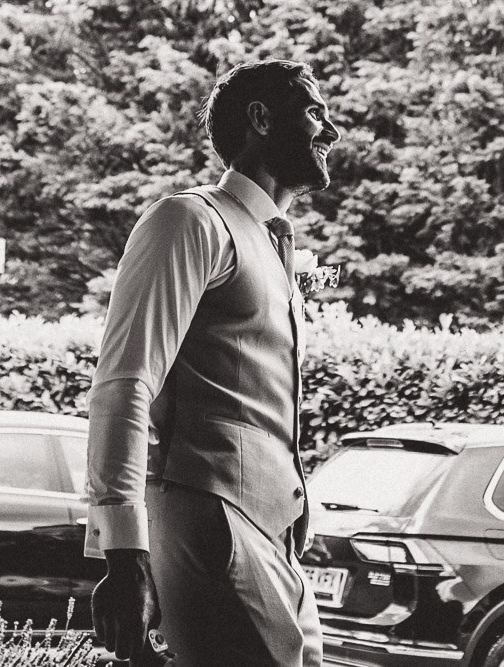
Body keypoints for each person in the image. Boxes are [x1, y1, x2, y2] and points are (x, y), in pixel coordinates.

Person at [86, 60, 343, 667]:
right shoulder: (190, 221)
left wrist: (291, 499)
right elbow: (125, 382)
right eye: (314, 112)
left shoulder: (274, 246)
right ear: (260, 119)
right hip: (214, 522)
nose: (330, 131)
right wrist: (125, 553)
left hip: (273, 539)